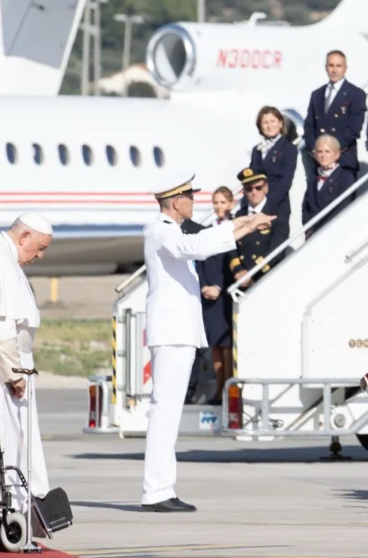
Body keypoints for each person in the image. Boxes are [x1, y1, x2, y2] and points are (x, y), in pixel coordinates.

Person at [140, 173, 274, 512]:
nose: (193, 201)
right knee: (164, 412)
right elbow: (196, 247)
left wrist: (245, 221)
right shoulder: (161, 231)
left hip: (179, 333)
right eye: (189, 196)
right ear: (175, 201)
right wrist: (242, 225)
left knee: (168, 413)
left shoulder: (173, 230)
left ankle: (162, 489)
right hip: (171, 335)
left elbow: (204, 237)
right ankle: (156, 491)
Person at [0, 213, 53, 516]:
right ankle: (3, 509)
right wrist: (14, 374)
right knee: (9, 438)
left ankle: (10, 505)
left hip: (11, 362)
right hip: (5, 366)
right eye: (39, 247)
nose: (40, 255)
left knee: (15, 437)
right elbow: (2, 326)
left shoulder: (3, 258)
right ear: (24, 238)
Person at [196, 187, 236, 406]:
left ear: (231, 204)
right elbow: (199, 262)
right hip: (208, 294)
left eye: (222, 202)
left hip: (225, 294)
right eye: (216, 203)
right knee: (215, 345)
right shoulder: (207, 230)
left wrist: (220, 287)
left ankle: (227, 388)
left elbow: (231, 262)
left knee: (227, 344)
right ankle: (219, 388)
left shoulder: (233, 227)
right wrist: (203, 286)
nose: (219, 207)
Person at [303, 50, 365, 173]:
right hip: (319, 163)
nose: (334, 70)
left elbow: (354, 130)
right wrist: (317, 150)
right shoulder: (317, 94)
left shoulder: (356, 94)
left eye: (338, 66)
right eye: (331, 66)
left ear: (345, 68)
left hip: (343, 162)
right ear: (326, 68)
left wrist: (331, 151)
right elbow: (309, 126)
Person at [230, 167, 289, 287]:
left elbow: (277, 251)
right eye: (248, 188)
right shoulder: (239, 215)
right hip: (241, 281)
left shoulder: (277, 214)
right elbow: (232, 247)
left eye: (258, 187)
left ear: (266, 188)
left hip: (266, 279)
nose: (254, 192)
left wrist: (251, 273)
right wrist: (238, 270)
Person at [249, 106, 298, 225]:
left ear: (280, 123)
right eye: (265, 122)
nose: (269, 126)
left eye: (272, 121)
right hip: (256, 209)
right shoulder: (257, 150)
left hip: (277, 207)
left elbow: (285, 182)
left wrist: (266, 204)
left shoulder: (288, 148)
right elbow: (250, 179)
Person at [302, 134, 356, 233]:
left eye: (327, 151)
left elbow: (343, 206)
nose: (323, 155)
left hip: (334, 231)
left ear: (337, 155)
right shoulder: (313, 177)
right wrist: (308, 228)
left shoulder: (345, 177)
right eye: (319, 151)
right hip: (313, 233)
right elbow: (306, 207)